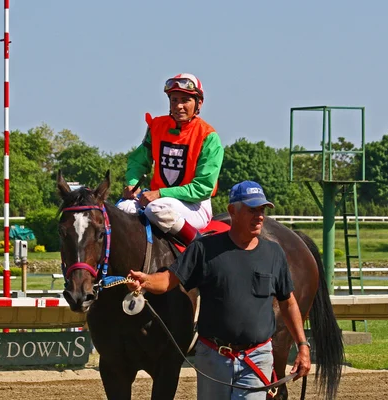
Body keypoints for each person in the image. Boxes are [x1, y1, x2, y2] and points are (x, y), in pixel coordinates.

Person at [126, 181, 311, 399]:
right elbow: (167, 281)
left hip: (257, 358)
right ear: (233, 211)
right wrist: (145, 281)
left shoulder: (274, 253)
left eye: (262, 210)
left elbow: (288, 302)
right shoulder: (204, 249)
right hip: (214, 358)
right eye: (252, 210)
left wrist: (302, 345)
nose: (259, 216)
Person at [117, 73, 224, 245]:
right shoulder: (157, 126)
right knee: (122, 209)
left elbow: (203, 187)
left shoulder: (209, 137)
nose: (179, 106)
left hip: (195, 205)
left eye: (185, 100)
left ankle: (200, 248)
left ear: (199, 104)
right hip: (158, 199)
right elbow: (138, 161)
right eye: (174, 100)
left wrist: (160, 193)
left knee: (157, 208)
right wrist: (133, 183)